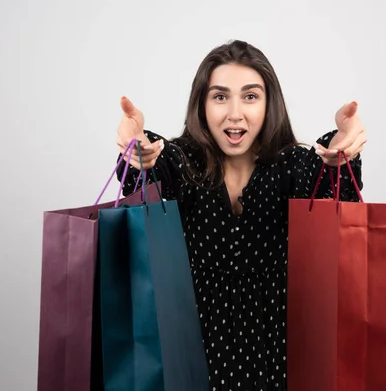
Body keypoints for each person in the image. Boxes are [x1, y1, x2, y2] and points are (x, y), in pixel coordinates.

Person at [115, 39, 366, 390]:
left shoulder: (294, 165)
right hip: (187, 353)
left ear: (269, 104)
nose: (235, 113)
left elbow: (336, 195)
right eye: (220, 97)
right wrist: (138, 152)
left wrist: (342, 150)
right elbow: (145, 180)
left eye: (250, 96)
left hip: (280, 355)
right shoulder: (178, 162)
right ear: (201, 105)